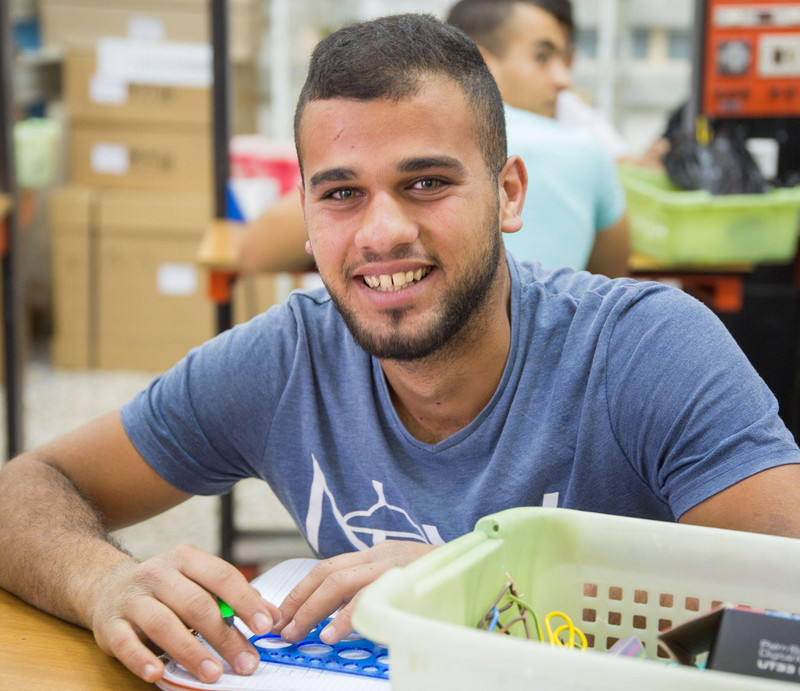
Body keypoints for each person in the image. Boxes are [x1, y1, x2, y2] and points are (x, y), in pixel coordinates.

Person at [1, 13, 800, 687]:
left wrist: (465, 587)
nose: (382, 231)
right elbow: (24, 490)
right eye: (342, 193)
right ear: (308, 220)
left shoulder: (647, 349)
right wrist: (103, 580)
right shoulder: (283, 363)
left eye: (426, 182)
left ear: (508, 192)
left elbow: (786, 627)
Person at [447, 0, 629, 277]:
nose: (563, 79)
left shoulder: (407, 145)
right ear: (480, 65)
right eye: (542, 57)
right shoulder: (585, 151)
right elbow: (610, 282)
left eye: (565, 60)